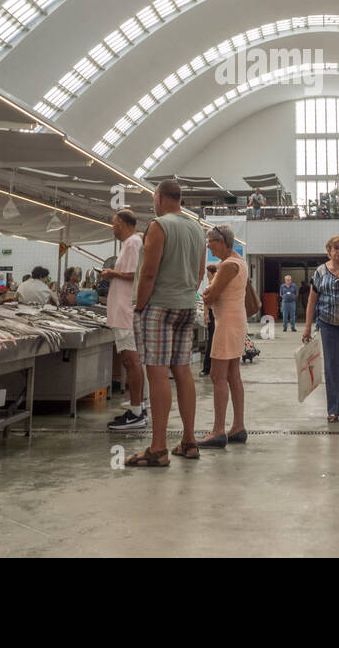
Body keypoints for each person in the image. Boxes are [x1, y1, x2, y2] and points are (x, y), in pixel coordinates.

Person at [125, 179, 204, 468]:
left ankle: (158, 448)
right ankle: (189, 440)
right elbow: (197, 275)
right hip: (185, 306)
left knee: (157, 374)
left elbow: (148, 273)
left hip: (158, 307)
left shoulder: (159, 226)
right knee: (182, 371)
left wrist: (142, 304)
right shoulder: (197, 228)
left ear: (158, 198)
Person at [196, 226, 249, 448]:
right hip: (235, 321)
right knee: (233, 374)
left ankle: (218, 430)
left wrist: (208, 293)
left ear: (221, 241)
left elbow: (210, 294)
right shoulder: (240, 262)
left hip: (226, 323)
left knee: (218, 376)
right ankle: (237, 426)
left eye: (210, 241)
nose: (208, 246)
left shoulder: (227, 265)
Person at [302, 235, 339, 423]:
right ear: (329, 250)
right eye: (335, 248)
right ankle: (333, 409)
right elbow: (312, 301)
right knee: (331, 366)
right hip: (328, 324)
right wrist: (307, 327)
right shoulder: (320, 272)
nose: (338, 251)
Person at [102, 210, 147, 431]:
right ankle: (139, 406)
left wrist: (112, 273)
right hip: (122, 312)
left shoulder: (132, 243)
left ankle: (137, 413)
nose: (112, 227)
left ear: (123, 223)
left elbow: (134, 275)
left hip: (125, 312)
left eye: (114, 223)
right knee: (131, 361)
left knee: (131, 361)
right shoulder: (130, 243)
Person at [200, 263, 219, 377]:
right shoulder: (211, 285)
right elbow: (206, 301)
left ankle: (208, 367)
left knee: (213, 341)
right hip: (213, 314)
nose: (207, 276)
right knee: (212, 341)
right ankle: (207, 367)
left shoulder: (214, 284)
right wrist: (206, 315)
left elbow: (206, 301)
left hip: (215, 314)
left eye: (208, 274)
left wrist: (206, 314)